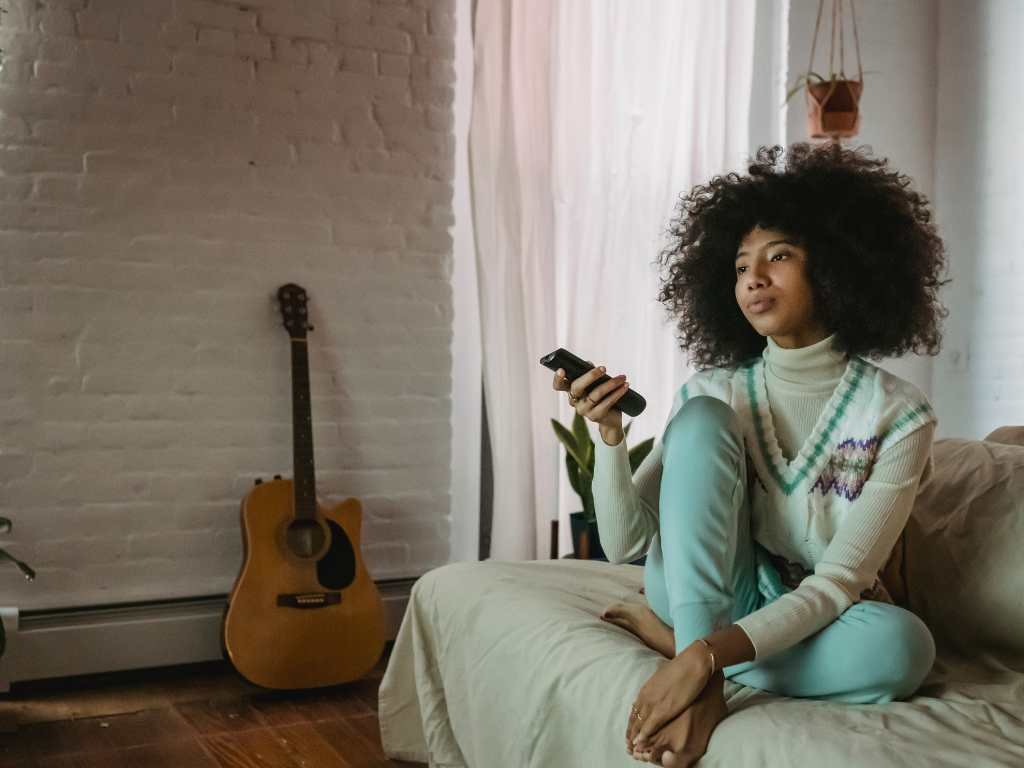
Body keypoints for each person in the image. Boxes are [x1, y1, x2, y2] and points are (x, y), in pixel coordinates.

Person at [551, 142, 950, 767]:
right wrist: (609, 441)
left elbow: (839, 582)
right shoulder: (712, 391)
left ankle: (682, 648)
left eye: (779, 256)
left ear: (839, 266)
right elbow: (627, 543)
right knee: (706, 421)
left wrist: (702, 655)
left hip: (807, 609)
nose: (753, 279)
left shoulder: (899, 415)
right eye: (739, 267)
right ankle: (701, 663)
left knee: (903, 649)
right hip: (703, 591)